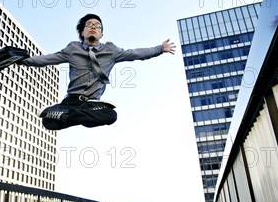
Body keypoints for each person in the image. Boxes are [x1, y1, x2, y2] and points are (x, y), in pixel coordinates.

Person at [19, 13, 176, 130]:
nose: (94, 26)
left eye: (98, 26)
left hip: (92, 103)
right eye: (89, 24)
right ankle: (64, 113)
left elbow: (136, 53)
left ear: (102, 34)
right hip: (72, 100)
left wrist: (160, 49)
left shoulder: (111, 51)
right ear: (82, 32)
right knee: (49, 122)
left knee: (111, 115)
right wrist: (23, 61)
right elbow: (47, 59)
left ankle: (63, 114)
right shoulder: (72, 49)